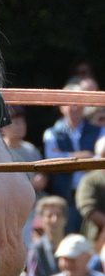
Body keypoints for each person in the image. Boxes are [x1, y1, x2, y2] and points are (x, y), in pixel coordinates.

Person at [41, 77, 100, 214]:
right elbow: (52, 160)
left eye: (78, 103)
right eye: (69, 103)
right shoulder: (52, 133)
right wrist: (84, 157)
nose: (74, 107)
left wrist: (65, 156)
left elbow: (100, 157)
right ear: (61, 107)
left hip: (94, 198)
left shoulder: (99, 130)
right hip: (64, 198)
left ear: (84, 105)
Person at [26, 195, 68, 276]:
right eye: (49, 216)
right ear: (41, 220)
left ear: (65, 219)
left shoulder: (72, 246)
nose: (54, 220)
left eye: (58, 215)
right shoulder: (36, 250)